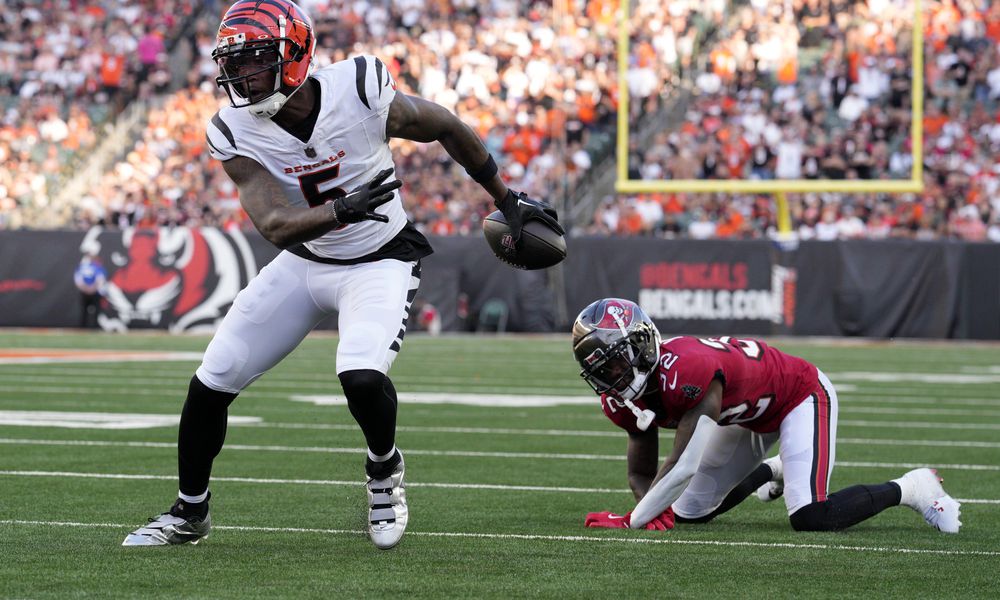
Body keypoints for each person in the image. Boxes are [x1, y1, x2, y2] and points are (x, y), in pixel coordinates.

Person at [123, 0, 562, 550]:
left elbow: (446, 126)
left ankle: (384, 472)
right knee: (212, 381)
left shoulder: (359, 88)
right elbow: (277, 226)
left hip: (380, 257)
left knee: (360, 375)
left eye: (257, 60)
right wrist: (339, 210)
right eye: (234, 63)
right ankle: (190, 514)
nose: (242, 75)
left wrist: (507, 198)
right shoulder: (234, 129)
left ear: (295, 56)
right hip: (305, 261)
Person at [572, 298, 962, 534]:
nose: (611, 378)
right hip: (744, 415)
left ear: (641, 346)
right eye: (601, 371)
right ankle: (778, 468)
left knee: (811, 515)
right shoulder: (620, 399)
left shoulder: (686, 370)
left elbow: (683, 464)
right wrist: (651, 509)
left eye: (614, 363)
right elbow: (641, 473)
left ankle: (913, 487)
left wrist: (632, 519)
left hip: (798, 394)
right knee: (686, 513)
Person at [73, 252, 107, 329]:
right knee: (94, 311)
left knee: (85, 311)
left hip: (85, 292)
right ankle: (94, 328)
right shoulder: (97, 267)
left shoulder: (81, 267)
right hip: (95, 292)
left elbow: (78, 280)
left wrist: (86, 288)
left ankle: (83, 328)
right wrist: (92, 289)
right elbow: (100, 280)